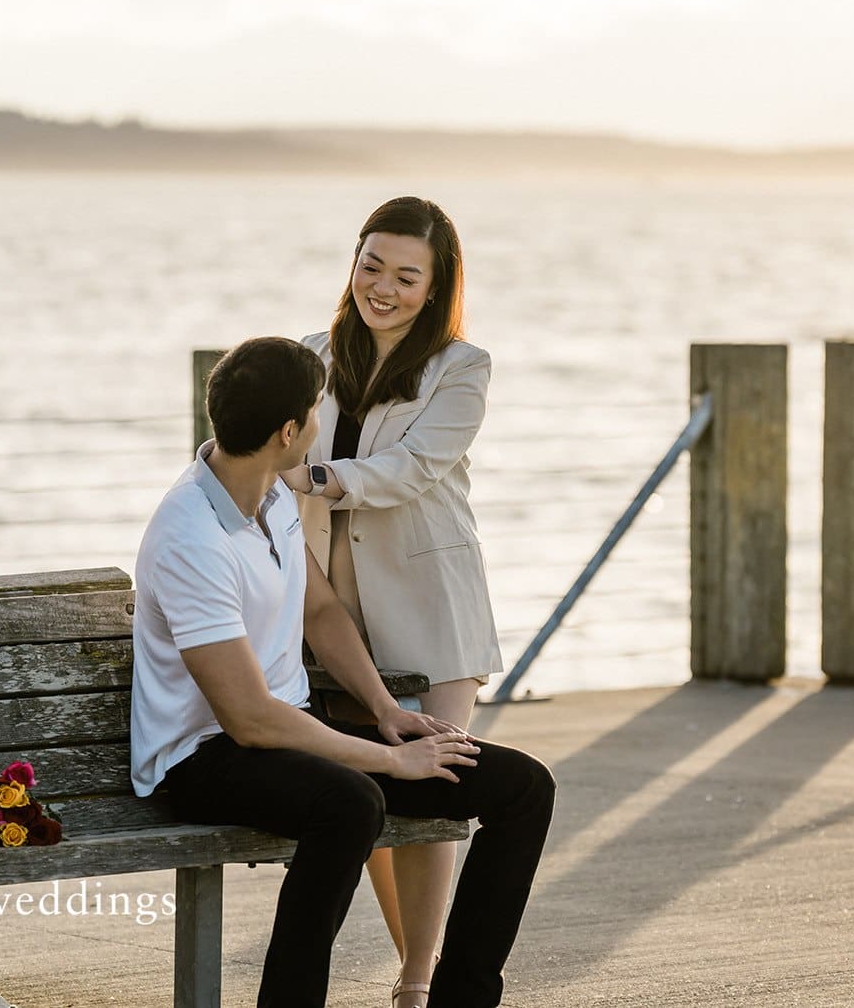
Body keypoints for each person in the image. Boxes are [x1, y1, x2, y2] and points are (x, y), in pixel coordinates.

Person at [130, 336, 554, 1008]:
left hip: (289, 730)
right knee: (351, 802)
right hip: (203, 757)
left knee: (523, 787)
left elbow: (321, 610)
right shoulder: (191, 535)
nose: (325, 423)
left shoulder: (268, 496)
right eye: (316, 410)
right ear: (290, 430)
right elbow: (247, 717)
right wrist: (390, 763)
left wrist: (387, 712)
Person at [281, 196, 499, 1006]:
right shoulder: (310, 353)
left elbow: (413, 466)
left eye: (408, 276)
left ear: (435, 287)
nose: (384, 286)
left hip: (430, 602)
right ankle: (424, 964)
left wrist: (316, 478)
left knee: (435, 792)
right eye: (372, 264)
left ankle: (414, 986)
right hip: (329, 606)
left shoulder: (461, 367)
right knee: (363, 786)